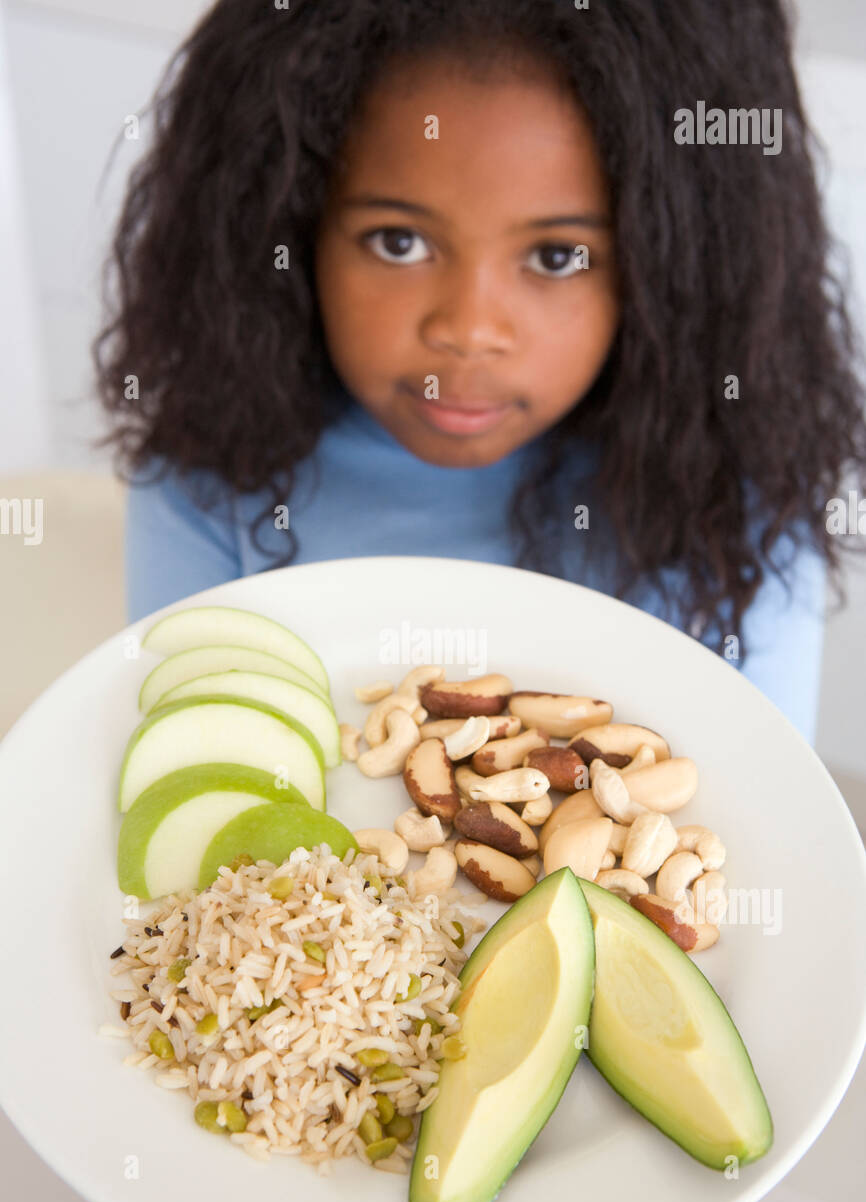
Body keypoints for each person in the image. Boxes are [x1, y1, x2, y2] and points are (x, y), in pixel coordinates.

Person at [95, 0, 866, 747]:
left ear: (677, 270)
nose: (467, 332)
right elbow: (180, 765)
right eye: (398, 241)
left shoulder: (741, 509)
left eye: (556, 257)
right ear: (285, 225)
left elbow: (770, 818)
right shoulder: (208, 482)